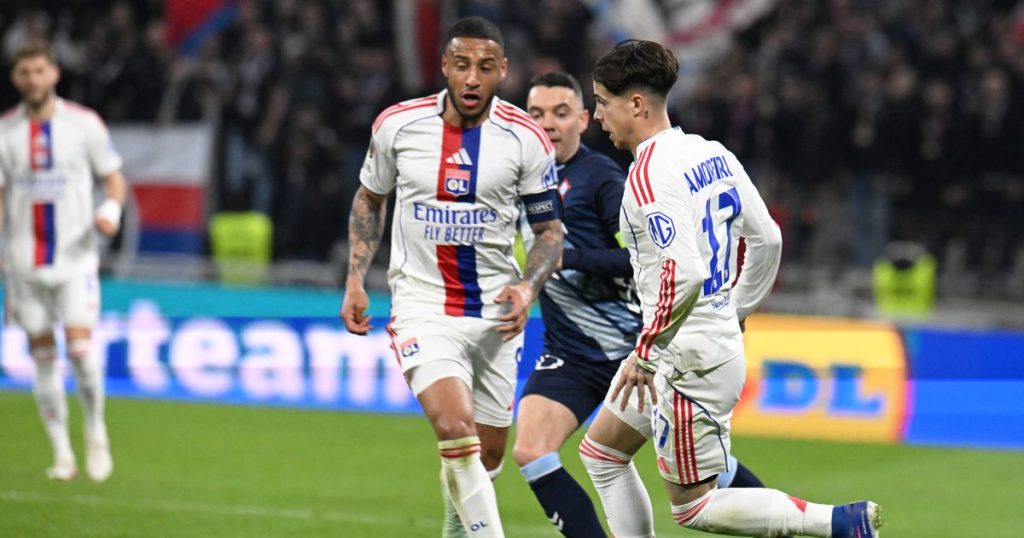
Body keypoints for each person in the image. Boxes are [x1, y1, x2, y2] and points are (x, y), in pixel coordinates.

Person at [590, 39, 883, 537]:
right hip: (704, 338)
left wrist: (645, 351)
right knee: (603, 452)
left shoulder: (646, 176)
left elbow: (683, 273)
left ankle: (839, 523)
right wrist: (737, 308)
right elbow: (767, 237)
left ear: (635, 104)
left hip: (683, 355)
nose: (598, 116)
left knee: (694, 509)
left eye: (602, 102)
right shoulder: (711, 153)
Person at [515, 72, 778, 538]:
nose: (548, 124)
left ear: (581, 120)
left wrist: (568, 258)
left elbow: (637, 261)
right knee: (538, 449)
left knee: (697, 482)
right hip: (571, 351)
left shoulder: (606, 180)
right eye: (536, 114)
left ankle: (808, 523)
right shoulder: (522, 182)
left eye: (561, 113)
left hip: (632, 343)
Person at [339, 17, 562, 538]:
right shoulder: (398, 125)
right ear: (444, 66)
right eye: (461, 65)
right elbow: (370, 199)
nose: (471, 78)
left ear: (503, 72)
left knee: (485, 457)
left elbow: (550, 232)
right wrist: (355, 277)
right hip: (422, 306)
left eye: (485, 67)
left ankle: (456, 530)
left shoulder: (526, 139)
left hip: (496, 316)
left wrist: (528, 288)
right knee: (454, 428)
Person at [0, 43, 125, 482]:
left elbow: (114, 181)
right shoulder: (5, 132)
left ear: (53, 73)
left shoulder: (83, 124)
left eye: (39, 70)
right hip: (23, 264)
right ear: (16, 79)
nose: (32, 79)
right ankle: (62, 456)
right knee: (43, 360)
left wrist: (111, 211)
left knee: (81, 352)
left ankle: (95, 430)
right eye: (24, 72)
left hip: (75, 259)